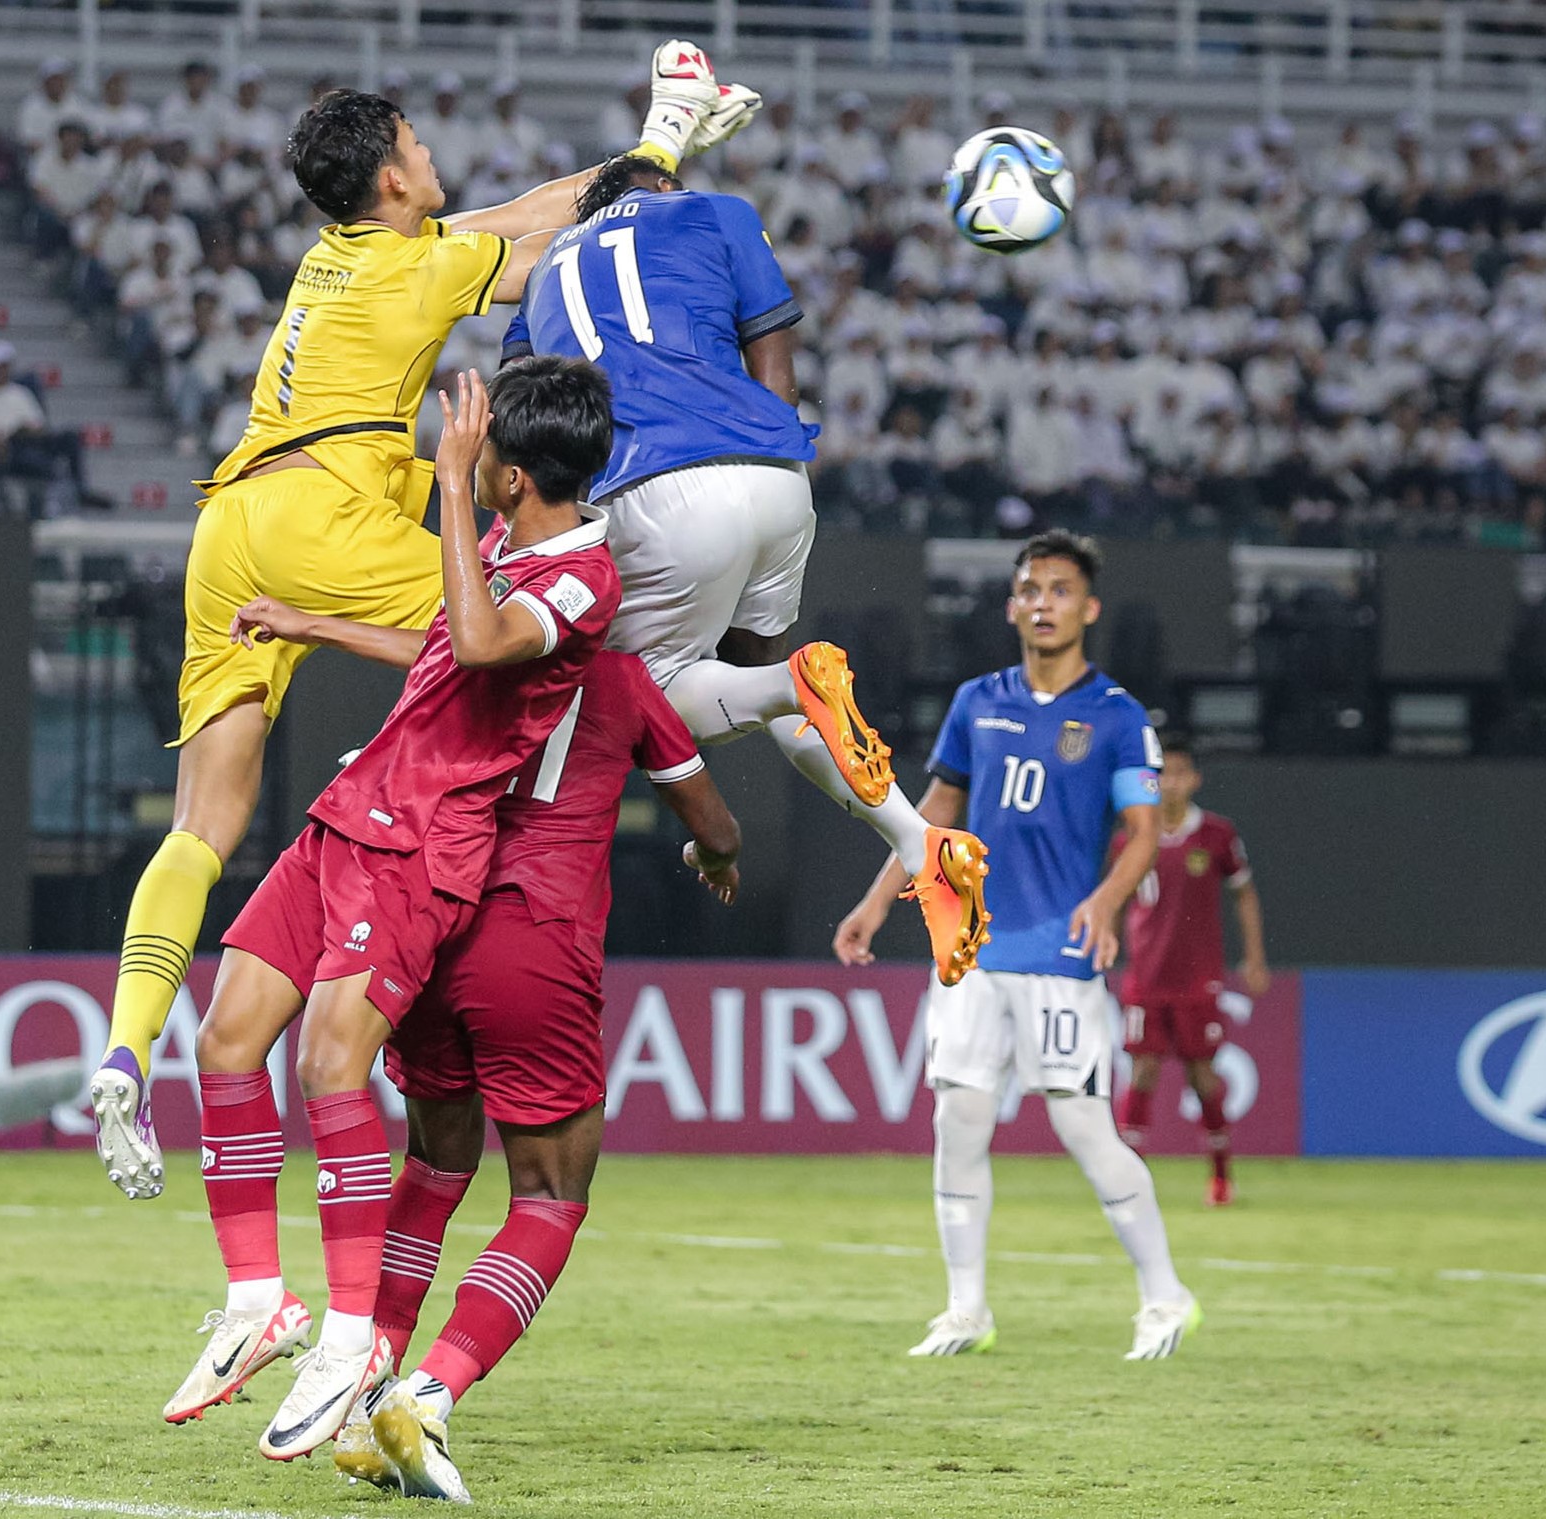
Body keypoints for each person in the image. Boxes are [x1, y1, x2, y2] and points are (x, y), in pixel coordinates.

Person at [91, 44, 759, 1201]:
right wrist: (664, 141)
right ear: (393, 180)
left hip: (233, 515)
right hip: (327, 512)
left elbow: (522, 212)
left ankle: (121, 1048)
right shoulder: (418, 273)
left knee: (203, 822)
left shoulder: (341, 257)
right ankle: (681, 731)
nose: (432, 153)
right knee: (520, 633)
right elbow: (562, 234)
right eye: (417, 143)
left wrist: (666, 144)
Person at [164, 359, 623, 1462]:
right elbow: (439, 649)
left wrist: (454, 494)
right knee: (225, 1034)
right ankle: (258, 1299)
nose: (449, 448)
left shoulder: (583, 579)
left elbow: (474, 642)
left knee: (329, 1063)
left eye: (474, 442)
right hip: (350, 810)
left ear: (511, 472)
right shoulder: (509, 550)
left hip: (424, 847)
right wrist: (310, 623)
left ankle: (353, 1337)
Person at [503, 154, 989, 985]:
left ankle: (784, 689)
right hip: (771, 476)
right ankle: (919, 842)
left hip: (652, 486)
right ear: (658, 187)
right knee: (753, 687)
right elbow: (773, 345)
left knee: (637, 698)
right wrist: (775, 454)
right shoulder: (716, 211)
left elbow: (530, 413)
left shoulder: (545, 269)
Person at [299, 647, 742, 1502]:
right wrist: (713, 860)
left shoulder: (463, 658)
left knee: (434, 1166)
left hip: (430, 918)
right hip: (534, 934)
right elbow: (717, 828)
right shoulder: (619, 676)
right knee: (548, 1194)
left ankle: (359, 1391)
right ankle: (424, 1398)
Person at [832, 530, 1199, 1362]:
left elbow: (1143, 832)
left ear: (1088, 607)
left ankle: (1166, 1296)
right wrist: (873, 902)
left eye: (1060, 589)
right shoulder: (976, 701)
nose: (1043, 602)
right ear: (1010, 605)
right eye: (1030, 588)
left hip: (1061, 956)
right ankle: (966, 1310)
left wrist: (1106, 904)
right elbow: (931, 818)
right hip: (970, 952)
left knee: (1084, 1129)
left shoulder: (1117, 716)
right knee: (956, 1122)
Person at [1111, 731, 1268, 1207]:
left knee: (1203, 1076)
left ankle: (1221, 1176)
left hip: (1199, 979)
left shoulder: (1217, 835)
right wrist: (1108, 943)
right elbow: (1115, 897)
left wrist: (1255, 957)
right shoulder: (1132, 837)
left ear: (1194, 779)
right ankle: (1126, 1182)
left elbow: (1244, 893)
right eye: (1161, 774)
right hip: (1146, 977)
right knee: (1141, 1073)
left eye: (1179, 773)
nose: (1170, 783)